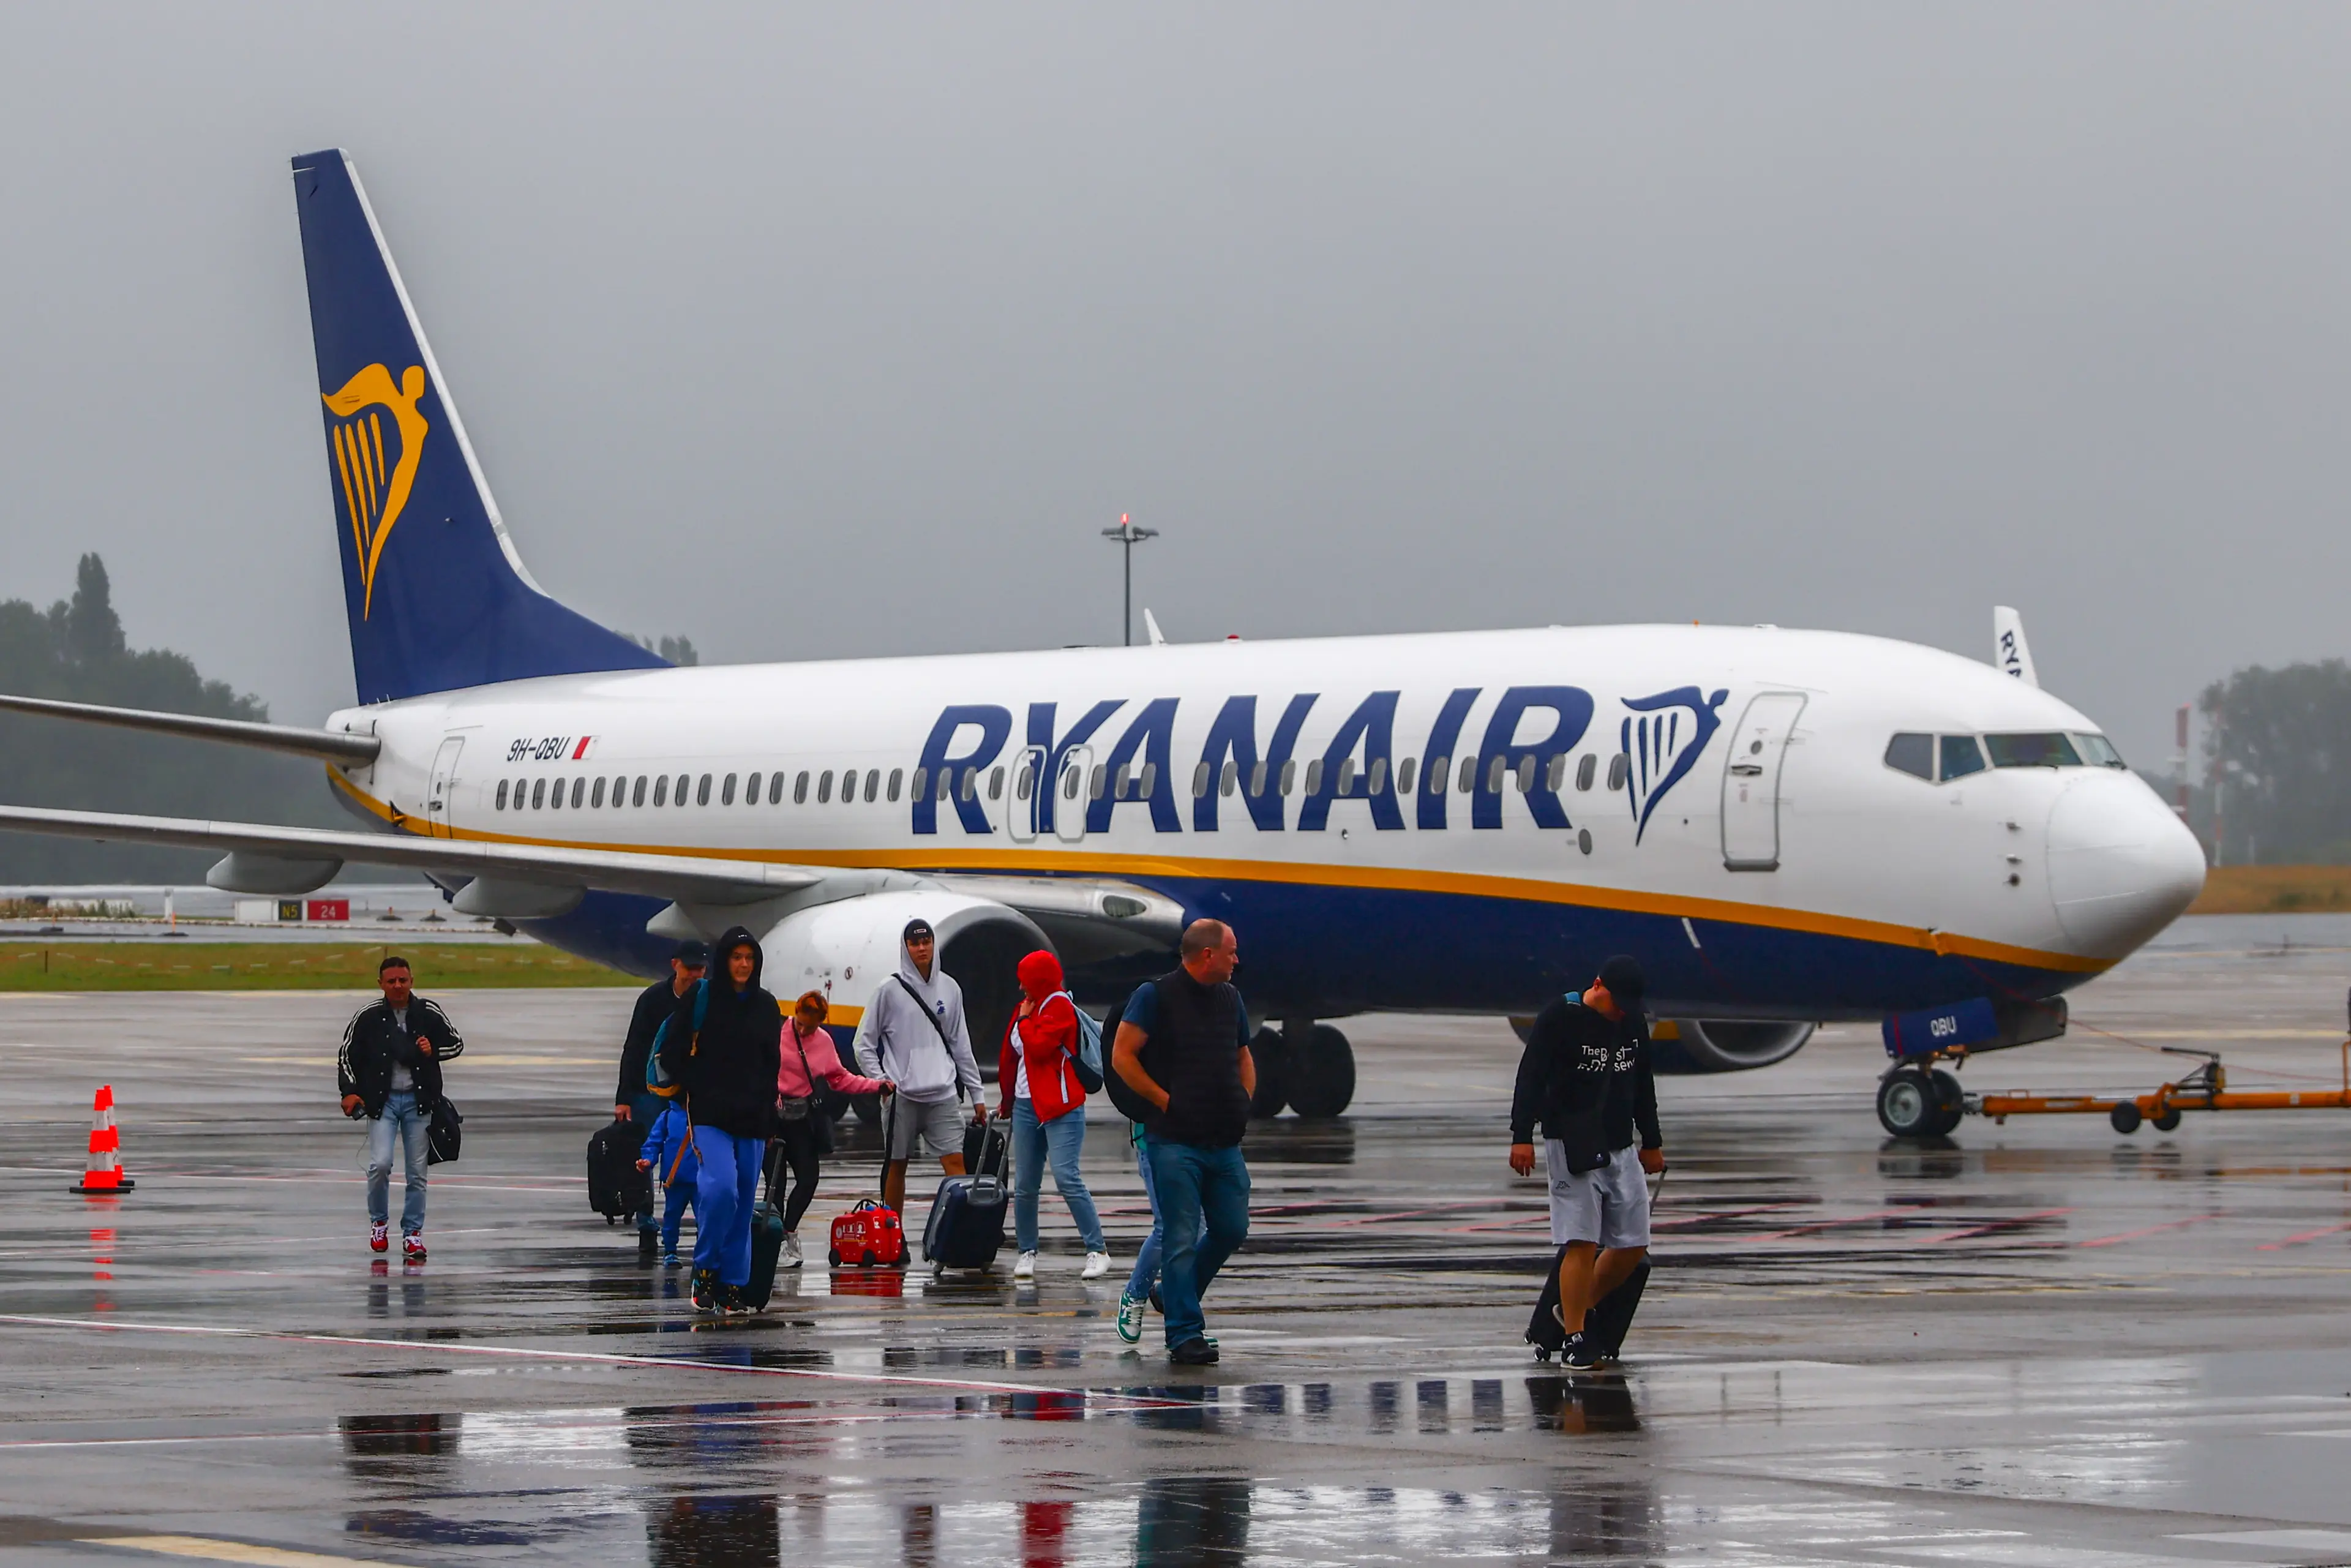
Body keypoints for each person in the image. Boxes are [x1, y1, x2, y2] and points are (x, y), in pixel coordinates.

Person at [1507, 953, 1666, 1369]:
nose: (1621, 1013)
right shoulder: (1560, 1017)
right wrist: (1521, 1136)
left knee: (1632, 1245)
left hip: (1620, 1144)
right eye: (1617, 1004)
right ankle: (1576, 1335)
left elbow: (1642, 1083)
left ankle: (1573, 1308)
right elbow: (1531, 1077)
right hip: (1570, 1142)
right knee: (1579, 1240)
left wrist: (1652, 1141)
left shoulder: (1630, 1023)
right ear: (1597, 986)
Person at [1110, 918, 1254, 1365]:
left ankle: (1172, 1295)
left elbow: (1243, 1054)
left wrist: (1243, 1100)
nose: (1237, 959)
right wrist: (1163, 1101)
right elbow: (1122, 1054)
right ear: (1207, 954)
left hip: (1224, 1140)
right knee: (1180, 1235)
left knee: (1232, 1227)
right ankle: (1184, 1333)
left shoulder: (1231, 998)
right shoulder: (1155, 996)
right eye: (1231, 951)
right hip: (1174, 1141)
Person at [659, 925, 781, 1313]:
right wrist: (692, 1085)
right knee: (720, 1189)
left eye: (749, 959)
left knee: (745, 1200)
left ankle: (733, 1282)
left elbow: (771, 1065)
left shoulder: (766, 1005)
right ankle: (706, 1268)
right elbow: (673, 1047)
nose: (743, 965)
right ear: (725, 960)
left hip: (753, 1117)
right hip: (710, 1111)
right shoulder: (704, 995)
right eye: (736, 957)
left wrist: (770, 1116)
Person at [853, 918, 985, 1218]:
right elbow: (863, 1043)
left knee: (956, 1166)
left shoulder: (950, 988)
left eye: (927, 942)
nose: (922, 948)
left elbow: (961, 1044)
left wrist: (977, 1095)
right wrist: (881, 1082)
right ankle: (892, 1232)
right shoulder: (888, 990)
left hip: (943, 1093)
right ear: (906, 948)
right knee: (897, 1165)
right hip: (903, 1096)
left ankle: (958, 1235)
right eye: (915, 943)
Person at [337, 955, 465, 1263]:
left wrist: (433, 1051)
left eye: (403, 981)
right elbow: (346, 1055)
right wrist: (349, 1092)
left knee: (416, 1173)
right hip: (382, 1103)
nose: (398, 986)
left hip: (419, 1102)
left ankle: (413, 1233)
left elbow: (457, 1044)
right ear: (380, 984)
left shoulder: (428, 1012)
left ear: (412, 982)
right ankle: (379, 1223)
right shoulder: (367, 1017)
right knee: (380, 1165)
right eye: (391, 981)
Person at [998, 950, 1111, 1281]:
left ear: (1039, 979)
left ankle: (1097, 1250)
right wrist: (1007, 1099)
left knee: (1067, 1179)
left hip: (1062, 1106)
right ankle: (1027, 1251)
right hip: (1025, 1103)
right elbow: (1011, 1055)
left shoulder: (1058, 1006)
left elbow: (1038, 1046)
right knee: (1026, 1185)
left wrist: (1023, 1020)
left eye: (1025, 979)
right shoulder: (1028, 1007)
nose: (1020, 987)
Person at [770, 990, 894, 1268]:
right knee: (774, 1184)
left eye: (809, 1027)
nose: (802, 1030)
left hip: (802, 1117)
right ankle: (775, 1241)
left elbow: (840, 1079)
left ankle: (789, 1232)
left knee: (809, 1177)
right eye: (799, 1023)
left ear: (820, 1023)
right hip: (773, 1117)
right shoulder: (777, 1032)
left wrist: (876, 1085)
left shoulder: (823, 1042)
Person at [615, 940, 710, 1244]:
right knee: (647, 1150)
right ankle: (646, 1218)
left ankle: (698, 1214)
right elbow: (634, 1048)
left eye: (700, 970)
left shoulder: (710, 999)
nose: (694, 975)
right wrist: (624, 1097)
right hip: (651, 1090)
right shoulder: (653, 999)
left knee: (697, 1151)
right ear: (675, 965)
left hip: (691, 1091)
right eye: (689, 969)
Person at [1117, 1114, 1164, 1346]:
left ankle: (1184, 1314)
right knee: (1167, 1228)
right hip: (1156, 1138)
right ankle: (1135, 1294)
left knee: (1203, 1230)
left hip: (1204, 1139)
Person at [636, 1098, 699, 1267]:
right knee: (672, 1216)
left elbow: (653, 1143)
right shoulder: (668, 1117)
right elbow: (653, 1143)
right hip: (678, 1179)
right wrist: (648, 1160)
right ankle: (670, 1250)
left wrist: (649, 1159)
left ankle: (700, 1252)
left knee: (703, 1218)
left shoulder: (671, 1116)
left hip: (693, 1178)